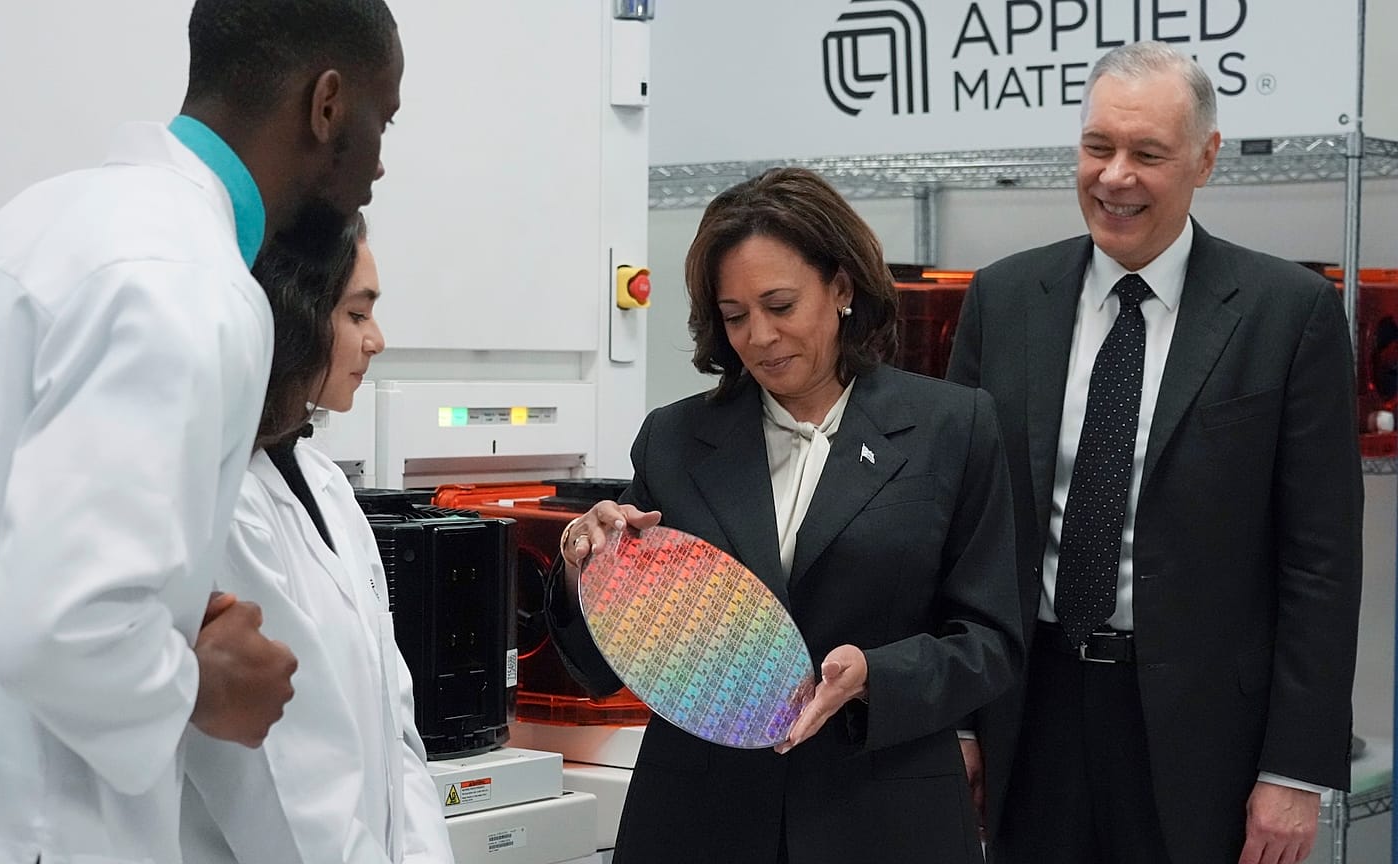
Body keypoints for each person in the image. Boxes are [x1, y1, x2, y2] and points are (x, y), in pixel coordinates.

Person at [0, 1, 404, 862]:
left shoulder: (0, 242)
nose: (379, 165)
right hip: (32, 830)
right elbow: (55, 624)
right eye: (386, 119)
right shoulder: (185, 281)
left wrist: (165, 620)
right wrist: (207, 684)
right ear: (328, 104)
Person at [946, 40, 1363, 864]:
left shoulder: (1292, 315)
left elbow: (1321, 563)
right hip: (1031, 714)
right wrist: (956, 716)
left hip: (1207, 735)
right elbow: (961, 526)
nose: (1115, 177)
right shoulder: (1003, 299)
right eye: (1098, 148)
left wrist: (1294, 771)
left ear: (1205, 159)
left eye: (1148, 153)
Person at [548, 166, 1022, 863]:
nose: (760, 337)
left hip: (881, 811)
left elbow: (990, 642)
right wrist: (584, 572)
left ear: (841, 287)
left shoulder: (951, 427)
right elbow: (604, 666)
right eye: (735, 316)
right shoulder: (675, 440)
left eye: (780, 304)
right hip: (701, 817)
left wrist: (876, 676)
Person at [181, 217, 455, 864]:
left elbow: (398, 730)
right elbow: (282, 784)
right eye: (357, 315)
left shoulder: (328, 485)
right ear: (297, 317)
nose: (377, 340)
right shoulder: (227, 503)